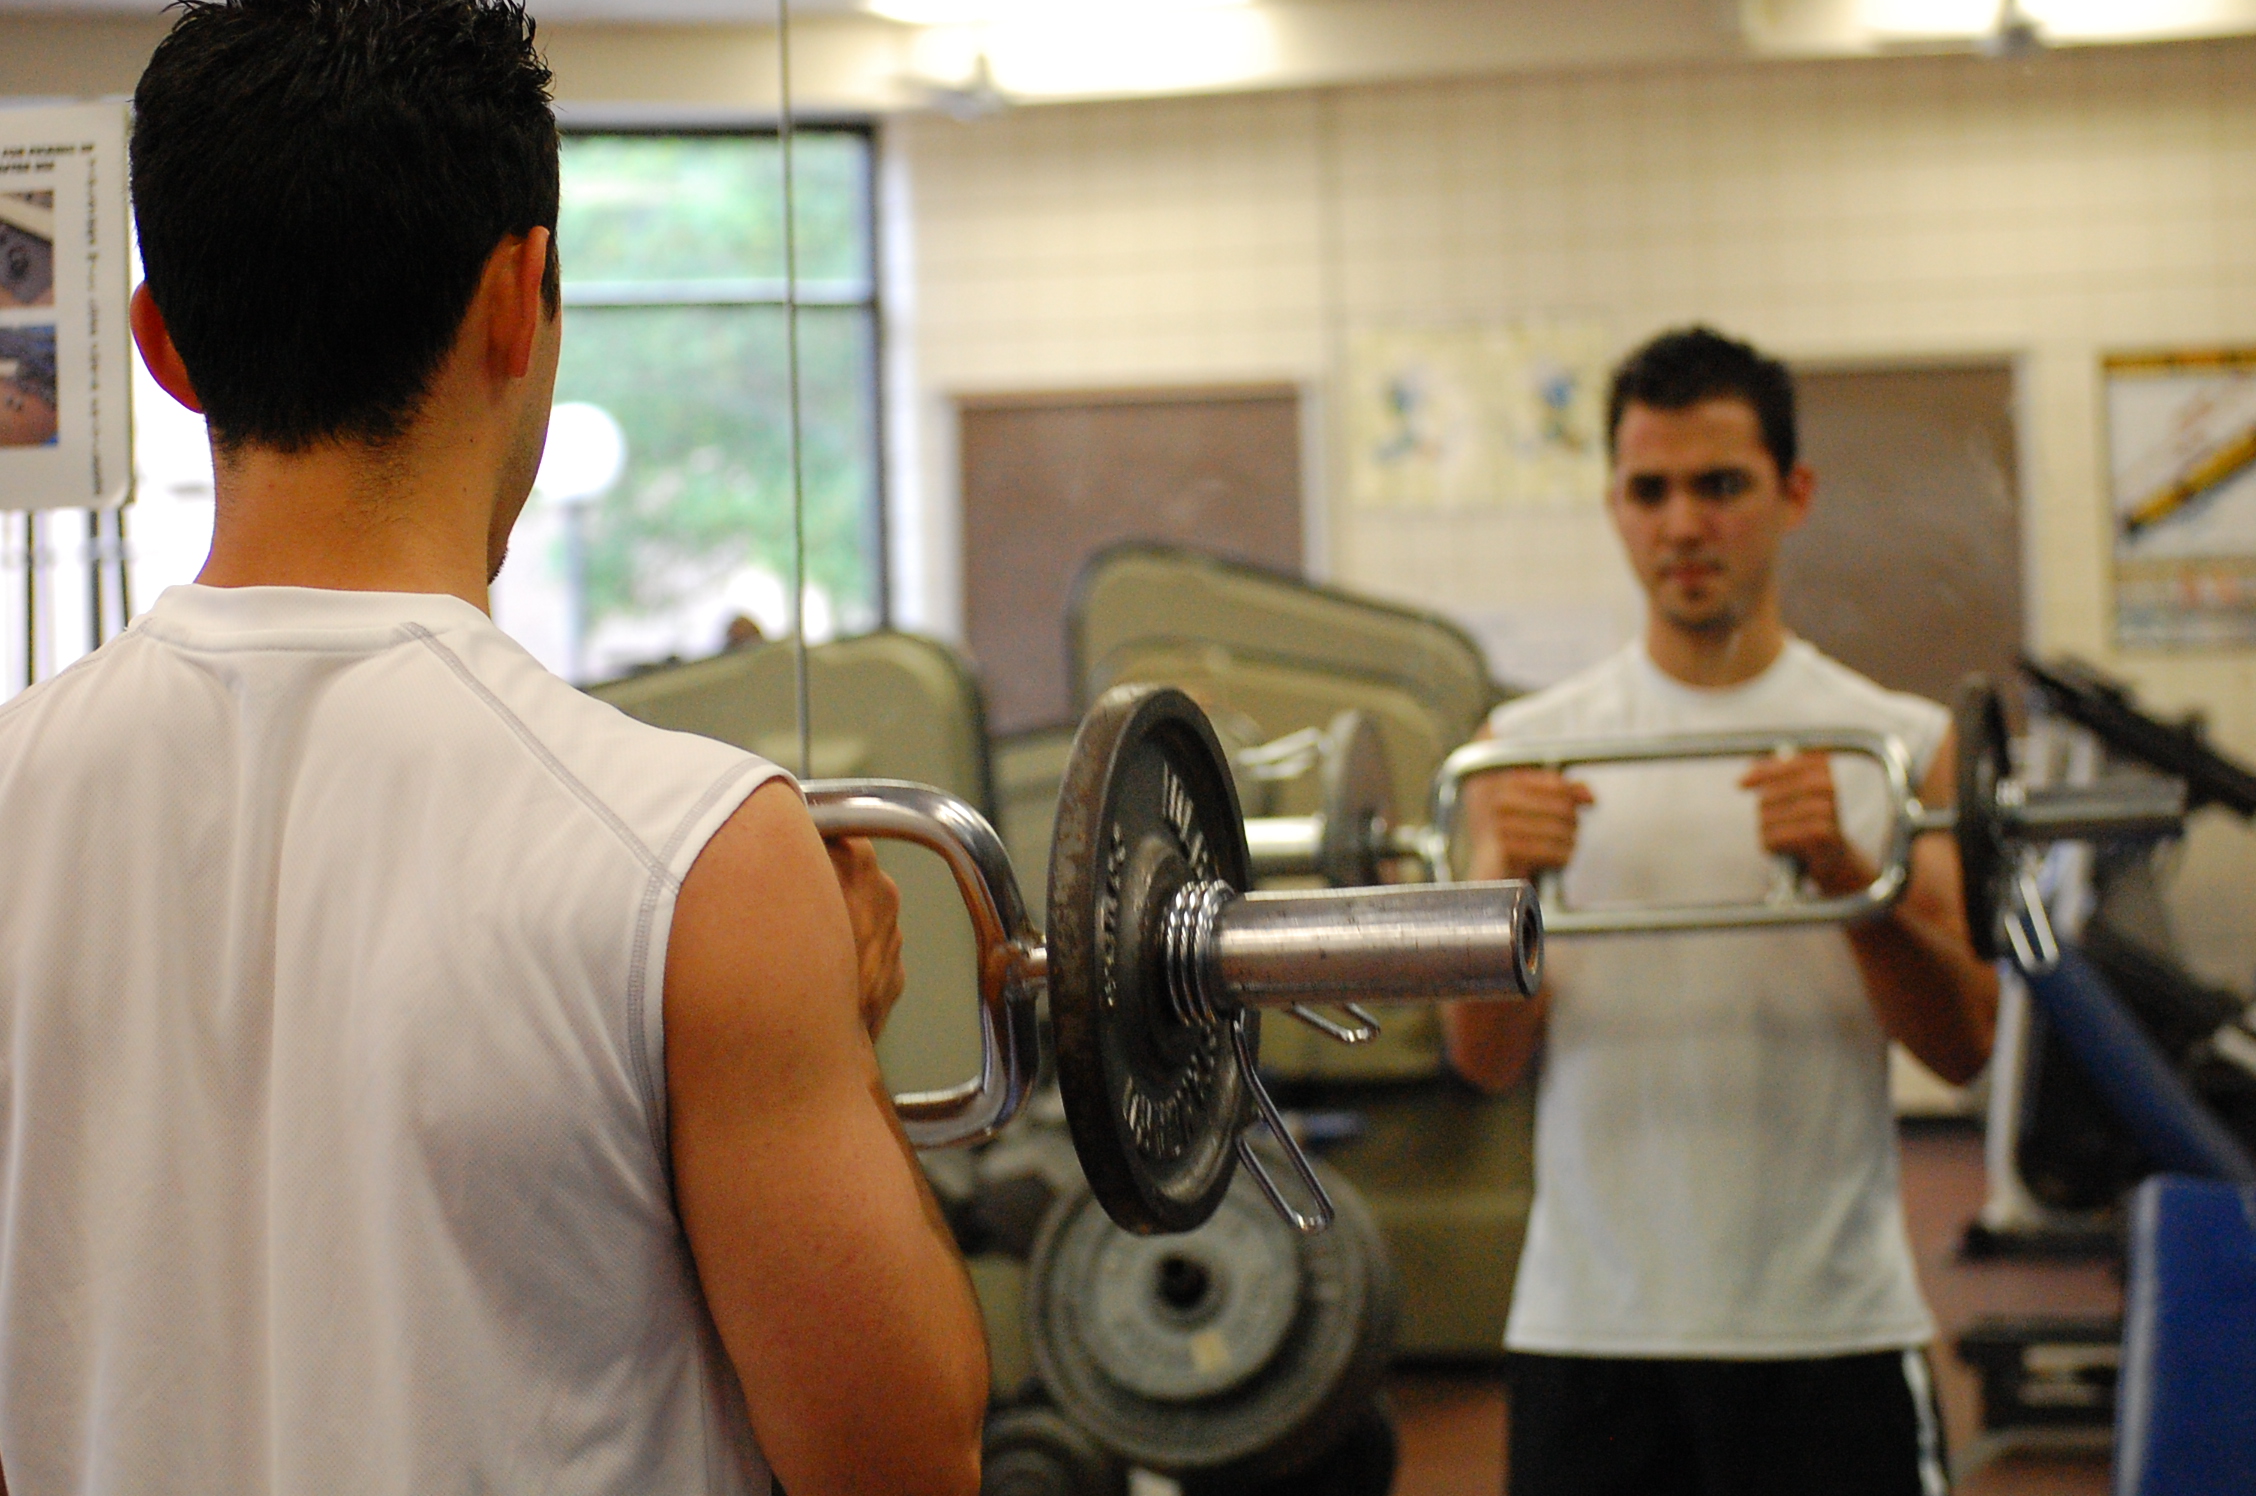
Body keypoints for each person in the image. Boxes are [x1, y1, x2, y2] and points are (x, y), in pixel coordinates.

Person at [0, 3, 987, 1492]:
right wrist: (835, 1043)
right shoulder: (699, 857)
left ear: (164, 349)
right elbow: (899, 1456)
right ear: (518, 298)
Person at [1444, 327, 2000, 1496]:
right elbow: (1483, 1056)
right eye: (1650, 490)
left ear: (1792, 495)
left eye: (1720, 486)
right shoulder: (1523, 753)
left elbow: (1963, 1043)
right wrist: (1515, 889)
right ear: (1615, 505)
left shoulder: (1893, 750)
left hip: (1827, 1326)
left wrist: (1853, 880)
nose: (1683, 524)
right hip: (1590, 1330)